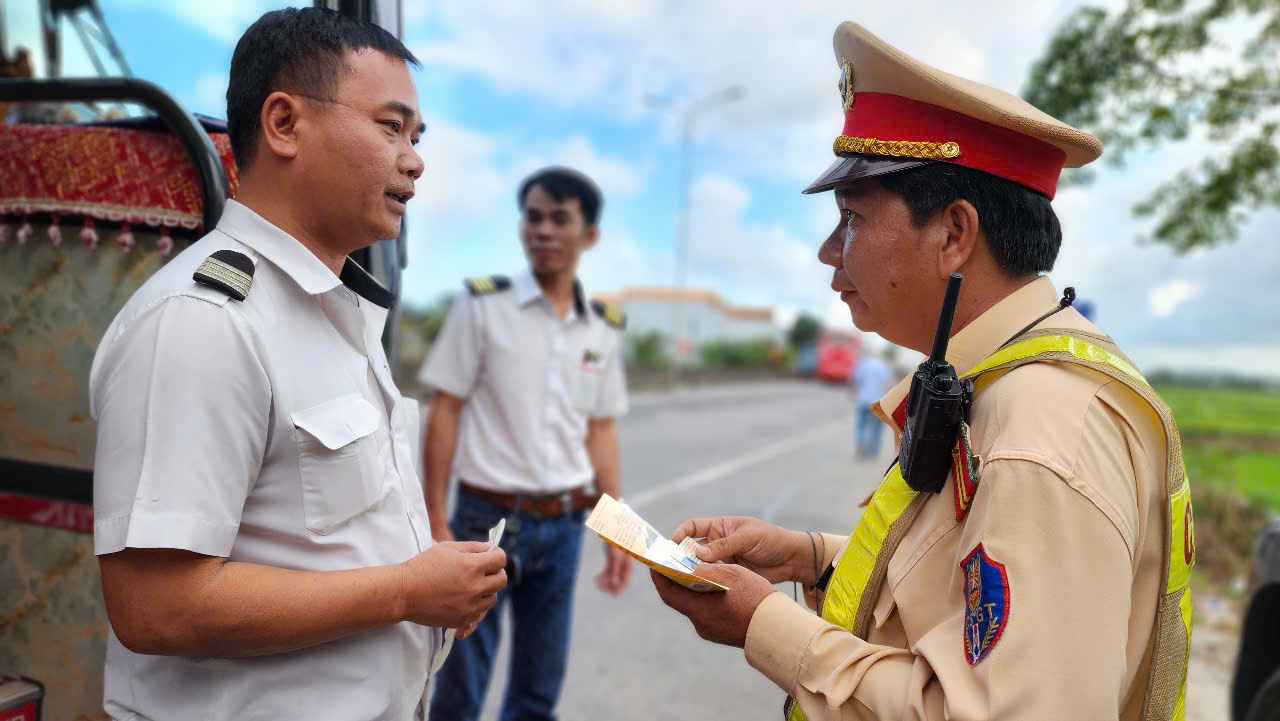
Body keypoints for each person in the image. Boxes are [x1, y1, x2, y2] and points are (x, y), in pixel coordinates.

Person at [650, 21, 1193, 721]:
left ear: (953, 235)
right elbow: (965, 589)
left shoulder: (1041, 432)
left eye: (850, 219)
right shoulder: (1006, 385)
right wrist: (807, 556)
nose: (827, 251)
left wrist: (766, 626)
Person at [89, 9, 506, 720]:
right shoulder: (206, 320)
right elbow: (156, 606)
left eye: (417, 135)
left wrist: (432, 576)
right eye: (389, 126)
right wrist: (408, 591)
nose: (415, 158)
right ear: (283, 123)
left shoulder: (332, 310)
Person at [420, 167, 632, 721]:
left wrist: (617, 530)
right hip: (484, 521)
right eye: (533, 217)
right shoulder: (482, 306)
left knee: (538, 692)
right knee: (460, 688)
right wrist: (435, 522)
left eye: (560, 219)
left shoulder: (602, 328)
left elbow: (600, 431)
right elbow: (445, 411)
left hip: (563, 526)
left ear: (589, 236)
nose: (543, 229)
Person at [849, 347, 895, 460]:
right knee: (876, 428)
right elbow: (887, 385)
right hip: (877, 403)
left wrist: (853, 394)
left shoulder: (864, 365)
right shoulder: (884, 367)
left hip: (863, 400)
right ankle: (873, 452)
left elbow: (856, 381)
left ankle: (861, 442)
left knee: (861, 425)